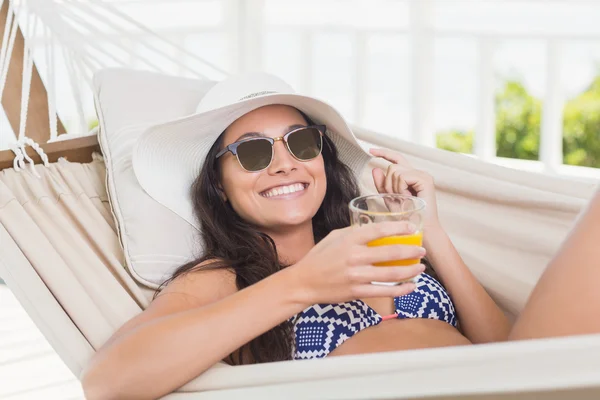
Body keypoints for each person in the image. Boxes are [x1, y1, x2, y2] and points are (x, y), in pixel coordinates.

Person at [81, 72, 600, 399]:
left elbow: (511, 355)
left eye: (302, 143)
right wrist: (304, 284)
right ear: (219, 182)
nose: (285, 164)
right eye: (255, 152)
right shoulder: (228, 275)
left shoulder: (374, 244)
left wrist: (432, 231)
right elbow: (109, 382)